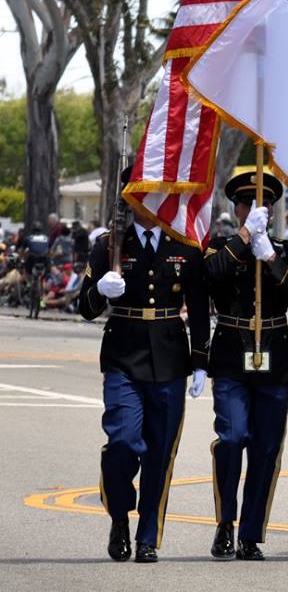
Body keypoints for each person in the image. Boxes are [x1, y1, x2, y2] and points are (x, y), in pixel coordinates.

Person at [78, 167, 209, 563]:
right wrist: (101, 290)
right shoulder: (109, 245)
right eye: (142, 192)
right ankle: (119, 515)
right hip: (123, 354)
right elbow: (85, 307)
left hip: (169, 358)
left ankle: (148, 536)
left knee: (160, 453)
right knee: (122, 442)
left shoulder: (184, 245)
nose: (151, 200)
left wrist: (201, 362)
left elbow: (199, 308)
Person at [204, 168, 288, 560]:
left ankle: (250, 532)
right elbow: (211, 277)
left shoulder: (284, 250)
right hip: (232, 353)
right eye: (246, 203)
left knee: (265, 448)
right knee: (232, 438)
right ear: (237, 209)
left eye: (261, 204)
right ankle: (225, 522)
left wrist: (271, 258)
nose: (253, 209)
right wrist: (245, 238)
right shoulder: (220, 246)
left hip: (274, 355)